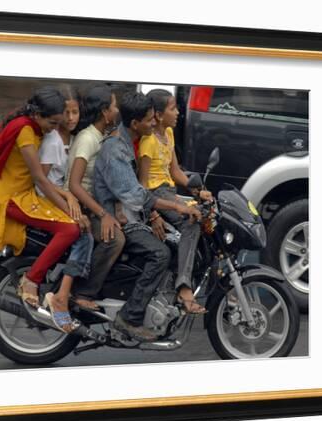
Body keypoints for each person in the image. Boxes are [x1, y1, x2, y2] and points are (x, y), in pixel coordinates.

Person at [93, 92, 202, 342]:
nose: (154, 124)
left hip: (129, 213)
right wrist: (176, 208)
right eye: (150, 120)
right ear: (135, 124)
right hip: (118, 217)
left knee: (170, 245)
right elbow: (137, 195)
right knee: (160, 253)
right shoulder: (116, 150)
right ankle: (129, 317)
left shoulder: (127, 141)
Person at [0, 86, 82, 333]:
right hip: (14, 199)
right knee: (70, 230)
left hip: (23, 194)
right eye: (52, 122)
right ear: (37, 114)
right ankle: (32, 280)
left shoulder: (32, 126)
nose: (54, 128)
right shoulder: (26, 132)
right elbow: (40, 179)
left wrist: (66, 197)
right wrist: (69, 211)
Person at [138, 89, 213, 313]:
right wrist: (153, 213)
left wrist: (198, 192)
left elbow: (175, 172)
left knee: (209, 213)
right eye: (173, 108)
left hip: (168, 191)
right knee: (193, 220)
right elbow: (141, 185)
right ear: (159, 115)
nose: (179, 112)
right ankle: (183, 286)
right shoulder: (148, 141)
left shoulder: (168, 134)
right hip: (155, 194)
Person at [64, 85, 125, 308]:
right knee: (114, 239)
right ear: (104, 112)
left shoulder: (101, 136)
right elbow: (74, 184)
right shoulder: (87, 138)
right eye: (114, 105)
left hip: (96, 203)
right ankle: (83, 293)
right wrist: (104, 214)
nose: (117, 109)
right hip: (81, 205)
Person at [36, 85, 95, 311]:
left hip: (62, 194)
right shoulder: (53, 141)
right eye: (67, 113)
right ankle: (64, 294)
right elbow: (41, 179)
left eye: (75, 112)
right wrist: (68, 195)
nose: (71, 118)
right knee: (84, 234)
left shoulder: (74, 138)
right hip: (47, 196)